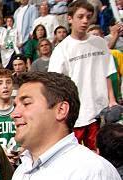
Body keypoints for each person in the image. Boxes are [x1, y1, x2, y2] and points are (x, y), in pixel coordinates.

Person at [48, 1, 118, 150]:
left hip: (101, 113)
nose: (85, 21)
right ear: (70, 19)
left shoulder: (100, 43)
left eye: (88, 16)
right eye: (80, 16)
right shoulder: (61, 50)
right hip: (77, 115)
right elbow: (56, 86)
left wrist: (112, 101)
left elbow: (107, 73)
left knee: (101, 156)